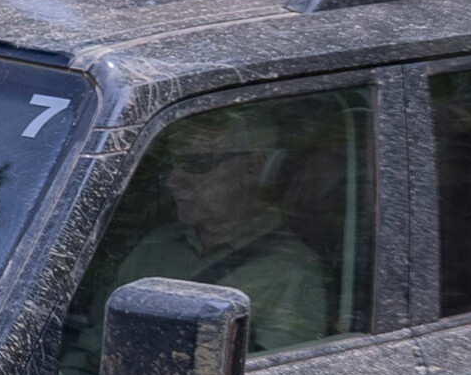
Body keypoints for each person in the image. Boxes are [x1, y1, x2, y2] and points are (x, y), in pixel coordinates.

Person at [84, 108, 340, 359]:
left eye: (196, 164)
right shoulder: (156, 245)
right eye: (172, 164)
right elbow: (95, 348)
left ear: (252, 167)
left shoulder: (292, 271)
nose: (173, 180)